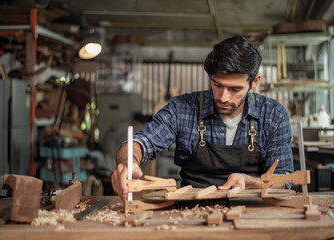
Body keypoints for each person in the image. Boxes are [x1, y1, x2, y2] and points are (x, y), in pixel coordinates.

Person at [111, 35, 294, 201]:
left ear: (254, 82)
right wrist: (128, 162)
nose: (223, 97)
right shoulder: (182, 108)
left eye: (235, 89)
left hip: (253, 210)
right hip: (193, 211)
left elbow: (284, 179)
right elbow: (142, 142)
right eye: (217, 85)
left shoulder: (273, 114)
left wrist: (251, 182)